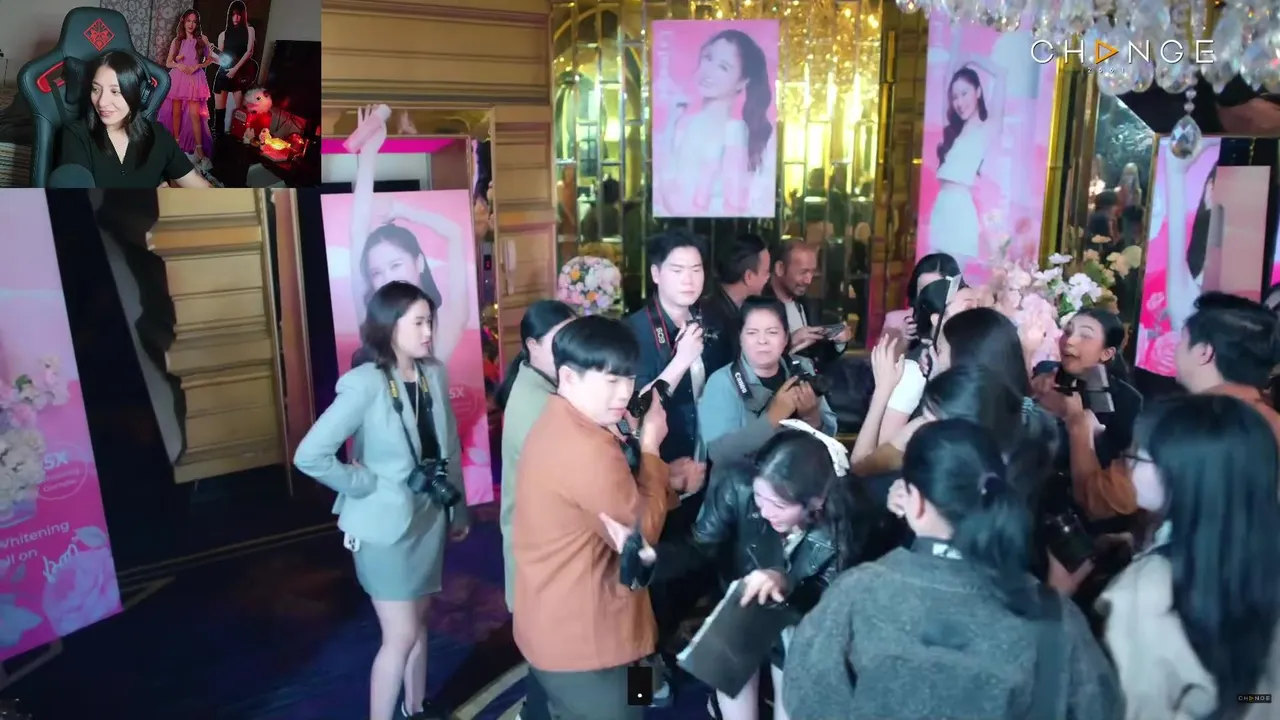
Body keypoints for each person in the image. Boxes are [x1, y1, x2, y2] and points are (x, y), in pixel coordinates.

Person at [784, 420, 1122, 719]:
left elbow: (808, 698)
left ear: (915, 502)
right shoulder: (1054, 616)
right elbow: (1097, 706)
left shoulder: (856, 594)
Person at [604, 427, 873, 720]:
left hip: (799, 620)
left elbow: (827, 598)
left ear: (816, 503)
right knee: (733, 695)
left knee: (790, 705)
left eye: (779, 505)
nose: (765, 511)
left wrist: (784, 582)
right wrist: (651, 557)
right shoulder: (736, 485)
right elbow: (698, 545)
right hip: (740, 608)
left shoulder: (844, 521)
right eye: (760, 498)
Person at [293, 281, 471, 720]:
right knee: (401, 635)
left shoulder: (433, 373)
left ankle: (416, 707)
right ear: (389, 326)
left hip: (428, 517)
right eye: (419, 323)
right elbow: (309, 455)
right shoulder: (365, 384)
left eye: (430, 322)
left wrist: (457, 509)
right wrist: (361, 483)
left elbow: (447, 447)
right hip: (384, 528)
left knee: (420, 623)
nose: (429, 332)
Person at [511, 315, 675, 720]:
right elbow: (644, 531)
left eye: (629, 378)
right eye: (610, 380)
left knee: (637, 697)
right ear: (568, 376)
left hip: (607, 629)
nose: (624, 393)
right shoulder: (586, 448)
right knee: (626, 712)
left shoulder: (563, 420)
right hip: (590, 646)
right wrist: (651, 448)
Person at [1098, 394, 1280, 719]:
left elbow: (1137, 709)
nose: (1129, 465)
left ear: (1182, 476)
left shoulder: (1142, 592)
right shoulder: (1258, 553)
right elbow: (1264, 695)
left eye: (1138, 456)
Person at [1074, 292, 1280, 521]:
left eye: (1182, 339)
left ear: (1204, 352)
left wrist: (1079, 426)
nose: (1176, 348)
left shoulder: (1179, 426)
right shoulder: (1273, 423)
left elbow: (1096, 500)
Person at [494, 300, 574, 720]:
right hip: (551, 556)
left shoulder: (540, 386)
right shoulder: (539, 403)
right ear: (532, 345)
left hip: (552, 557)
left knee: (549, 661)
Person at [347, 105, 468, 366]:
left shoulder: (444, 326)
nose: (387, 278)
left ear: (419, 262)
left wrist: (405, 211)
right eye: (376, 272)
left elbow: (455, 234)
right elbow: (357, 231)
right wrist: (369, 153)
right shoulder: (369, 324)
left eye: (395, 265)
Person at [698, 296, 836, 464]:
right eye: (752, 333)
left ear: (785, 338)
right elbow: (718, 453)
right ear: (740, 337)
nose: (762, 341)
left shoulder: (801, 369)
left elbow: (830, 435)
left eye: (772, 332)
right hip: (745, 480)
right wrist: (773, 417)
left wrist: (811, 417)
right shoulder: (723, 382)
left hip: (798, 475)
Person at [654, 29, 774, 216]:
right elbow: (667, 191)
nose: (708, 71)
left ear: (742, 81)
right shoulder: (681, 124)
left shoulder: (736, 132)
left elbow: (734, 205)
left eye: (723, 67)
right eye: (708, 58)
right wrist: (670, 124)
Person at [56, 51, 210, 188]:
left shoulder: (158, 135)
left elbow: (203, 189)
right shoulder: (75, 135)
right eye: (96, 89)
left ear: (140, 95)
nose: (102, 102)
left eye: (115, 91)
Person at [928, 65, 994, 263]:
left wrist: (974, 60)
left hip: (959, 211)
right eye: (955, 97)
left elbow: (1002, 75)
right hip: (941, 208)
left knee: (952, 276)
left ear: (978, 92)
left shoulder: (985, 128)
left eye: (964, 93)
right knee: (934, 275)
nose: (959, 102)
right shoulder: (954, 131)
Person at [763, 242, 850, 372]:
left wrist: (839, 343)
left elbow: (821, 357)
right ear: (780, 268)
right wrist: (789, 343)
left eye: (812, 272)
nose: (808, 280)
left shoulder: (810, 306)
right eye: (803, 272)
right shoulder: (758, 308)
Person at [700, 232, 772, 373]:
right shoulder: (714, 323)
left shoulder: (734, 308)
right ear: (749, 277)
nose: (768, 278)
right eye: (766, 272)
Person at [158, 9, 213, 169]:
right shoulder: (177, 40)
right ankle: (176, 144)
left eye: (194, 21)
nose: (191, 24)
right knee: (176, 114)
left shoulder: (202, 39)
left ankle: (200, 150)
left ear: (197, 24)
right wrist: (178, 65)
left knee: (195, 115)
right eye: (188, 21)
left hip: (195, 79)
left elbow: (209, 59)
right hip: (179, 78)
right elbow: (168, 63)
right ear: (183, 21)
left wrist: (198, 65)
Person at [881, 252, 961, 341]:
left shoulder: (962, 321)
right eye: (924, 289)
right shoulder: (895, 320)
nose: (929, 296)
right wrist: (903, 337)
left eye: (936, 289)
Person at [212, 0, 255, 142]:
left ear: (243, 15)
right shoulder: (223, 35)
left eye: (238, 14)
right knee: (219, 113)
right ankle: (218, 139)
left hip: (240, 73)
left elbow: (249, 52)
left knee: (240, 113)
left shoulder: (249, 30)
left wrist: (235, 69)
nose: (236, 17)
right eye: (233, 14)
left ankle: (239, 139)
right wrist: (211, 57)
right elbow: (221, 58)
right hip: (224, 73)